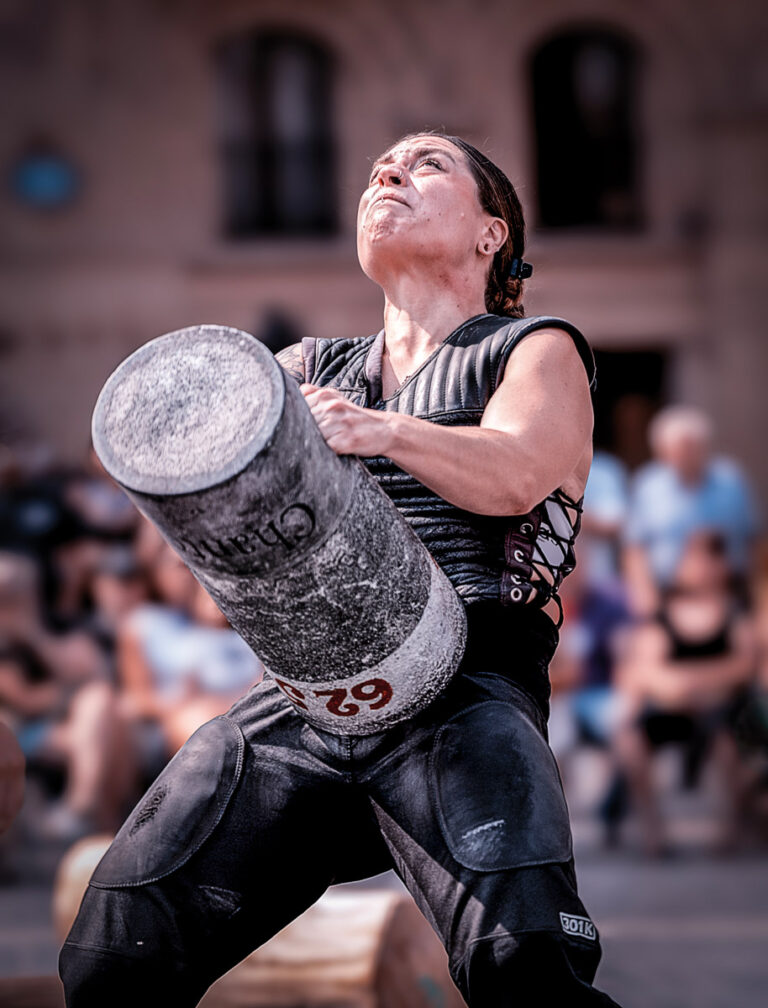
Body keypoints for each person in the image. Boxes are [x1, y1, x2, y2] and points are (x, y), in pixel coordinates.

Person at [60, 132, 622, 1006]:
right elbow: (178, 501)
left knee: (526, 968)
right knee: (112, 956)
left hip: (466, 697)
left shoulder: (533, 350)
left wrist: (381, 431)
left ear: (493, 234)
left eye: (427, 164)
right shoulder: (308, 366)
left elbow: (515, 474)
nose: (387, 172)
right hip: (305, 706)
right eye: (379, 169)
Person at [614, 530, 757, 855]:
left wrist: (687, 681)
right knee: (631, 743)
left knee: (731, 743)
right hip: (672, 709)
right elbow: (643, 671)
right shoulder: (663, 615)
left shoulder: (736, 613)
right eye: (690, 557)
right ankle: (654, 835)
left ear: (721, 565)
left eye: (704, 557)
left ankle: (731, 831)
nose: (693, 566)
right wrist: (683, 686)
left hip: (723, 711)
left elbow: (744, 666)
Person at [623, 405, 761, 618]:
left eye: (693, 446)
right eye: (679, 447)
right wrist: (644, 594)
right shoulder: (648, 486)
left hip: (730, 593)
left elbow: (754, 539)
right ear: (662, 451)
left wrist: (755, 592)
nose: (686, 454)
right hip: (667, 594)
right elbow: (634, 547)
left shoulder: (731, 481)